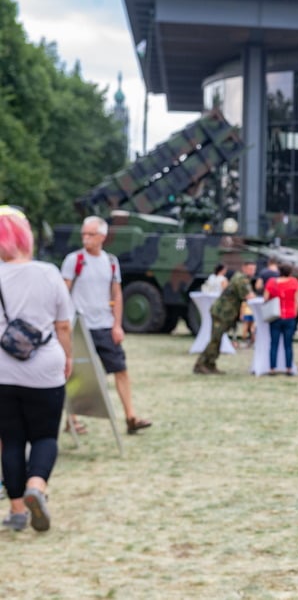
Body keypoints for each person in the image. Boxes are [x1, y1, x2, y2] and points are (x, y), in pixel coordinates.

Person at [0, 206, 74, 532]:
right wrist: (68, 358)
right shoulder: (48, 273)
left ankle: (17, 512)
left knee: (11, 439)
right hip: (44, 366)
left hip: (3, 371)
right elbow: (64, 326)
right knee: (44, 436)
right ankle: (36, 486)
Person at [61, 215, 151, 435]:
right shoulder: (74, 260)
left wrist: (117, 325)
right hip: (79, 326)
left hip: (104, 325)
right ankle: (71, 418)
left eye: (90, 234)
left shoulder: (111, 262)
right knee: (75, 373)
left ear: (102, 236)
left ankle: (130, 416)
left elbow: (117, 294)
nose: (86, 238)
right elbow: (63, 293)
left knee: (120, 369)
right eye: (83, 234)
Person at [194, 261, 256, 374]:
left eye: (253, 269)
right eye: (250, 269)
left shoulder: (240, 278)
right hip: (222, 312)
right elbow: (249, 295)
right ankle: (201, 364)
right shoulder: (241, 279)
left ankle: (210, 364)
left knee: (217, 340)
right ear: (244, 268)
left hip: (225, 312)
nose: (252, 272)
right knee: (215, 340)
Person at [263, 263, 298, 375]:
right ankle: (289, 368)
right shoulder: (294, 282)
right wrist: (295, 313)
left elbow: (265, 298)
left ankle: (272, 368)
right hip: (289, 315)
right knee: (288, 344)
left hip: (275, 315)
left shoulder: (271, 282)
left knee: (274, 343)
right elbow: (296, 300)